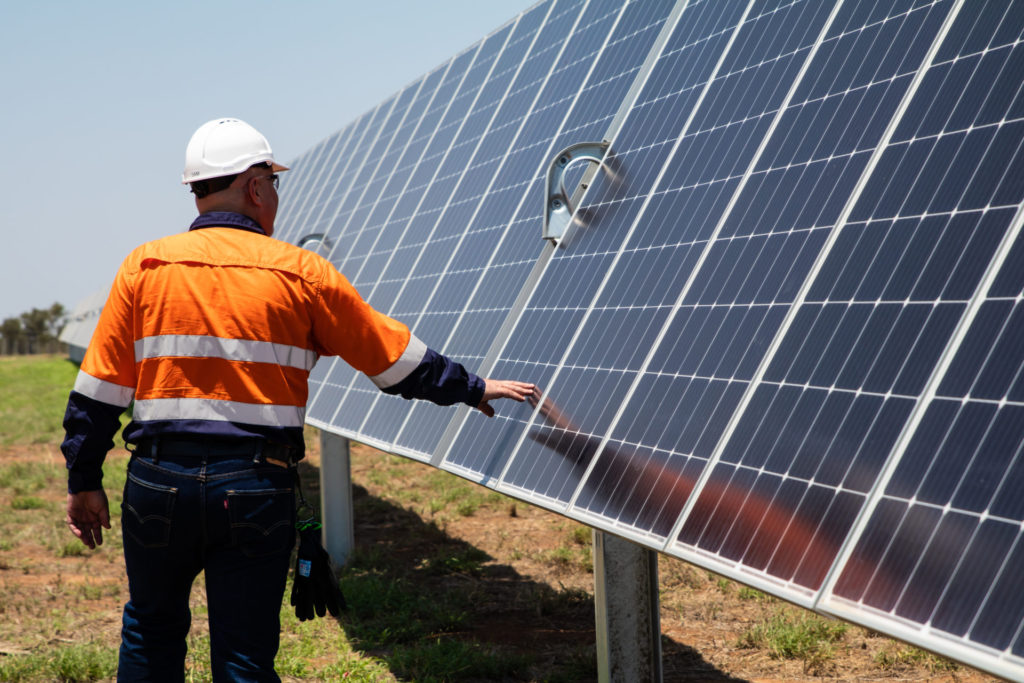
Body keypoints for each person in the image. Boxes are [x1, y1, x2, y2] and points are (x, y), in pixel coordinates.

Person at [60, 117, 535, 682]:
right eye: (274, 185)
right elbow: (392, 357)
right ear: (256, 186)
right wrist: (472, 387)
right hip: (255, 486)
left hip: (159, 483)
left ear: (199, 191)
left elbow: (98, 392)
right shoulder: (301, 273)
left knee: (151, 630)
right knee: (243, 652)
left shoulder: (145, 266)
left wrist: (83, 480)